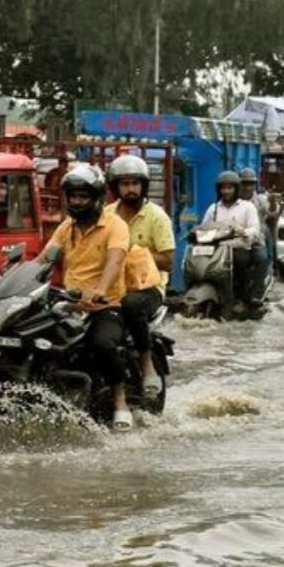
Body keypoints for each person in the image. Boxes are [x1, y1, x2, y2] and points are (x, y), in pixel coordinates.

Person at [41, 164, 134, 431]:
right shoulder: (66, 227)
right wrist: (15, 275)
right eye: (73, 196)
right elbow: (44, 260)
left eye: (83, 197)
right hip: (69, 303)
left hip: (105, 305)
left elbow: (115, 262)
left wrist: (100, 290)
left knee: (103, 345)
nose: (77, 202)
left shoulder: (115, 226)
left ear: (97, 199)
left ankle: (120, 402)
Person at [105, 154, 175, 400]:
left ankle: (146, 363)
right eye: (125, 184)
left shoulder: (157, 217)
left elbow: (168, 260)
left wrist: (134, 256)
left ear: (143, 186)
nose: (130, 189)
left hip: (147, 289)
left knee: (131, 304)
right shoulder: (106, 216)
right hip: (111, 287)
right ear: (115, 187)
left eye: (135, 184)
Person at [200, 170, 260, 313]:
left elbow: (255, 229)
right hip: (217, 249)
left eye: (229, 188)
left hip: (238, 247)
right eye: (223, 188)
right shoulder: (213, 208)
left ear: (236, 189)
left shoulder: (247, 207)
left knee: (240, 261)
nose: (225, 191)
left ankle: (242, 298)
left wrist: (243, 232)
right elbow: (203, 227)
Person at [238, 167, 278, 307]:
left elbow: (271, 212)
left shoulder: (260, 200)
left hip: (255, 239)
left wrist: (272, 201)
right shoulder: (232, 199)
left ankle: (256, 293)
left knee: (262, 259)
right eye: (244, 184)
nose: (247, 187)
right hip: (234, 240)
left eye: (250, 184)